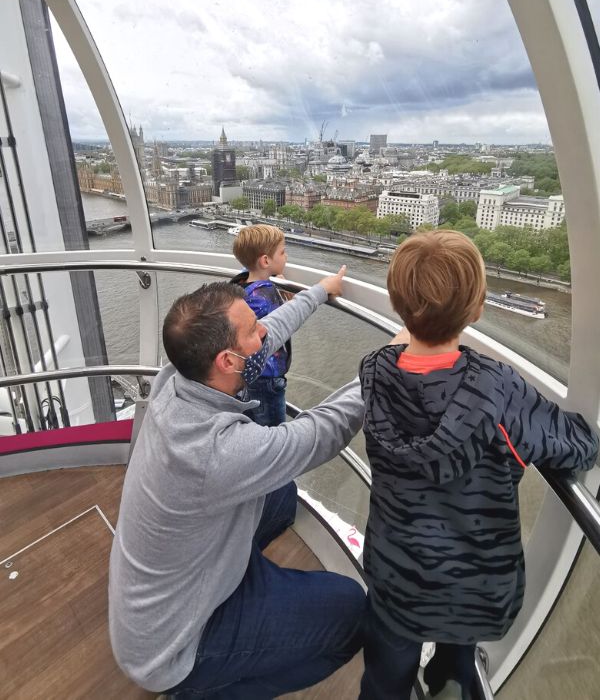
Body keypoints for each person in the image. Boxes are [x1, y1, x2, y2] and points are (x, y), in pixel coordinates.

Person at [358, 230, 598, 700]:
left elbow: (397, 362)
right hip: (471, 583)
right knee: (457, 664)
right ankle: (449, 682)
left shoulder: (374, 373)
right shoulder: (497, 389)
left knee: (384, 678)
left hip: (396, 575)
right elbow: (575, 445)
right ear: (478, 308)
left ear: (396, 304)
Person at [109, 266, 367, 699]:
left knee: (281, 496)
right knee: (352, 615)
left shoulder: (176, 377)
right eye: (252, 331)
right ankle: (209, 690)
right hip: (173, 643)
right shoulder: (217, 452)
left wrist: (320, 293)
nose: (263, 334)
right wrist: (390, 366)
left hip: (164, 592)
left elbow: (266, 333)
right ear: (228, 362)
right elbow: (323, 432)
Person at [231, 224, 290, 426]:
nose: (286, 256)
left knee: (250, 421)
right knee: (272, 430)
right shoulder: (264, 296)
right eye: (282, 252)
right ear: (265, 260)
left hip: (246, 376)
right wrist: (288, 298)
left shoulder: (240, 283)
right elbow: (284, 322)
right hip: (267, 377)